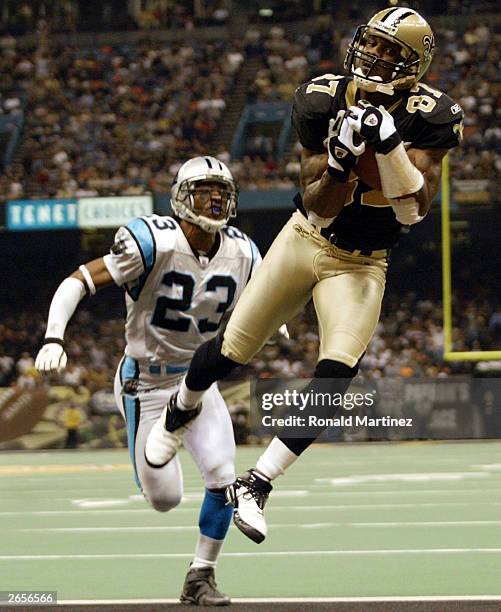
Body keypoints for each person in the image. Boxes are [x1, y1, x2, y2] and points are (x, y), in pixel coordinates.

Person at [144, 7, 464, 545]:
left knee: (337, 374)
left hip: (363, 261)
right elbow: (318, 205)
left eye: (392, 51)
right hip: (306, 238)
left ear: (415, 65)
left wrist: (387, 148)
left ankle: (260, 481)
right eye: (374, 44)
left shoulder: (433, 114)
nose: (376, 57)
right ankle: (182, 406)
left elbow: (413, 210)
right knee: (231, 351)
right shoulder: (321, 96)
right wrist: (341, 160)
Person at [35, 156, 262, 605]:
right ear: (181, 198)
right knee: (165, 499)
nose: (216, 198)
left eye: (222, 191)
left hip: (198, 381)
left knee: (223, 478)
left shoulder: (243, 250)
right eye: (204, 189)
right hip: (146, 384)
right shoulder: (152, 241)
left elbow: (263, 293)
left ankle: (201, 576)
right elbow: (79, 280)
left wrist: (272, 318)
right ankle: (148, 444)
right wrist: (54, 335)